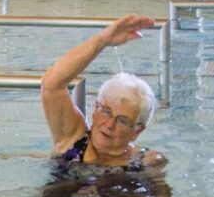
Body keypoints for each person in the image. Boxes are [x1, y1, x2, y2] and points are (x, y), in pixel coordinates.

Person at [39, 14, 167, 171]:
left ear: (137, 131)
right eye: (106, 111)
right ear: (94, 109)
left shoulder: (145, 162)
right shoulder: (73, 141)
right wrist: (102, 40)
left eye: (122, 120)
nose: (110, 125)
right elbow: (51, 85)